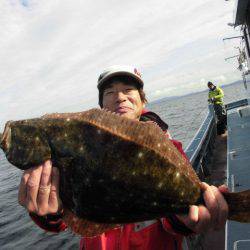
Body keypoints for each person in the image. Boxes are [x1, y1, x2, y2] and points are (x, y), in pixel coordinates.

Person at [18, 66, 229, 250]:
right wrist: (48, 212)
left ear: (142, 100)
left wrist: (185, 219)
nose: (120, 97)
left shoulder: (169, 149)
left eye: (128, 90)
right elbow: (64, 218)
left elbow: (175, 219)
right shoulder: (81, 150)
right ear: (101, 107)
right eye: (110, 92)